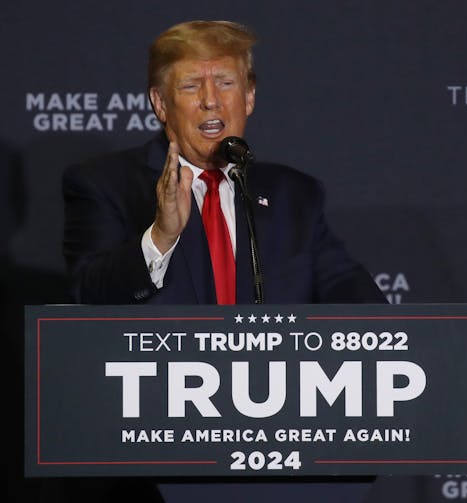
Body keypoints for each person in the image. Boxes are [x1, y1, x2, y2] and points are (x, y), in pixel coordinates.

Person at [60, 19, 385, 503]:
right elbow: (89, 293)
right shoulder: (105, 184)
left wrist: (405, 339)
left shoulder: (293, 194)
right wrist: (160, 236)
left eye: (226, 83)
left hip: (276, 458)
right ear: (159, 104)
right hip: (153, 467)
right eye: (192, 86)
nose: (212, 100)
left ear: (249, 98)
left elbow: (350, 290)